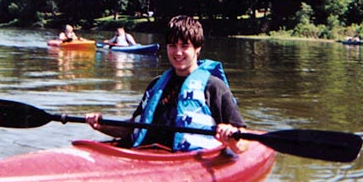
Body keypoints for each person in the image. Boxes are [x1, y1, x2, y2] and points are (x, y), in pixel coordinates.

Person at [86, 15, 246, 153]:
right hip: (146, 153)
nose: (177, 52)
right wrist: (101, 124)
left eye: (184, 46)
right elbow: (132, 127)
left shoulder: (214, 87)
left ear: (197, 48)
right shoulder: (156, 85)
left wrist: (231, 135)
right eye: (172, 46)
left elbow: (243, 141)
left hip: (184, 160)